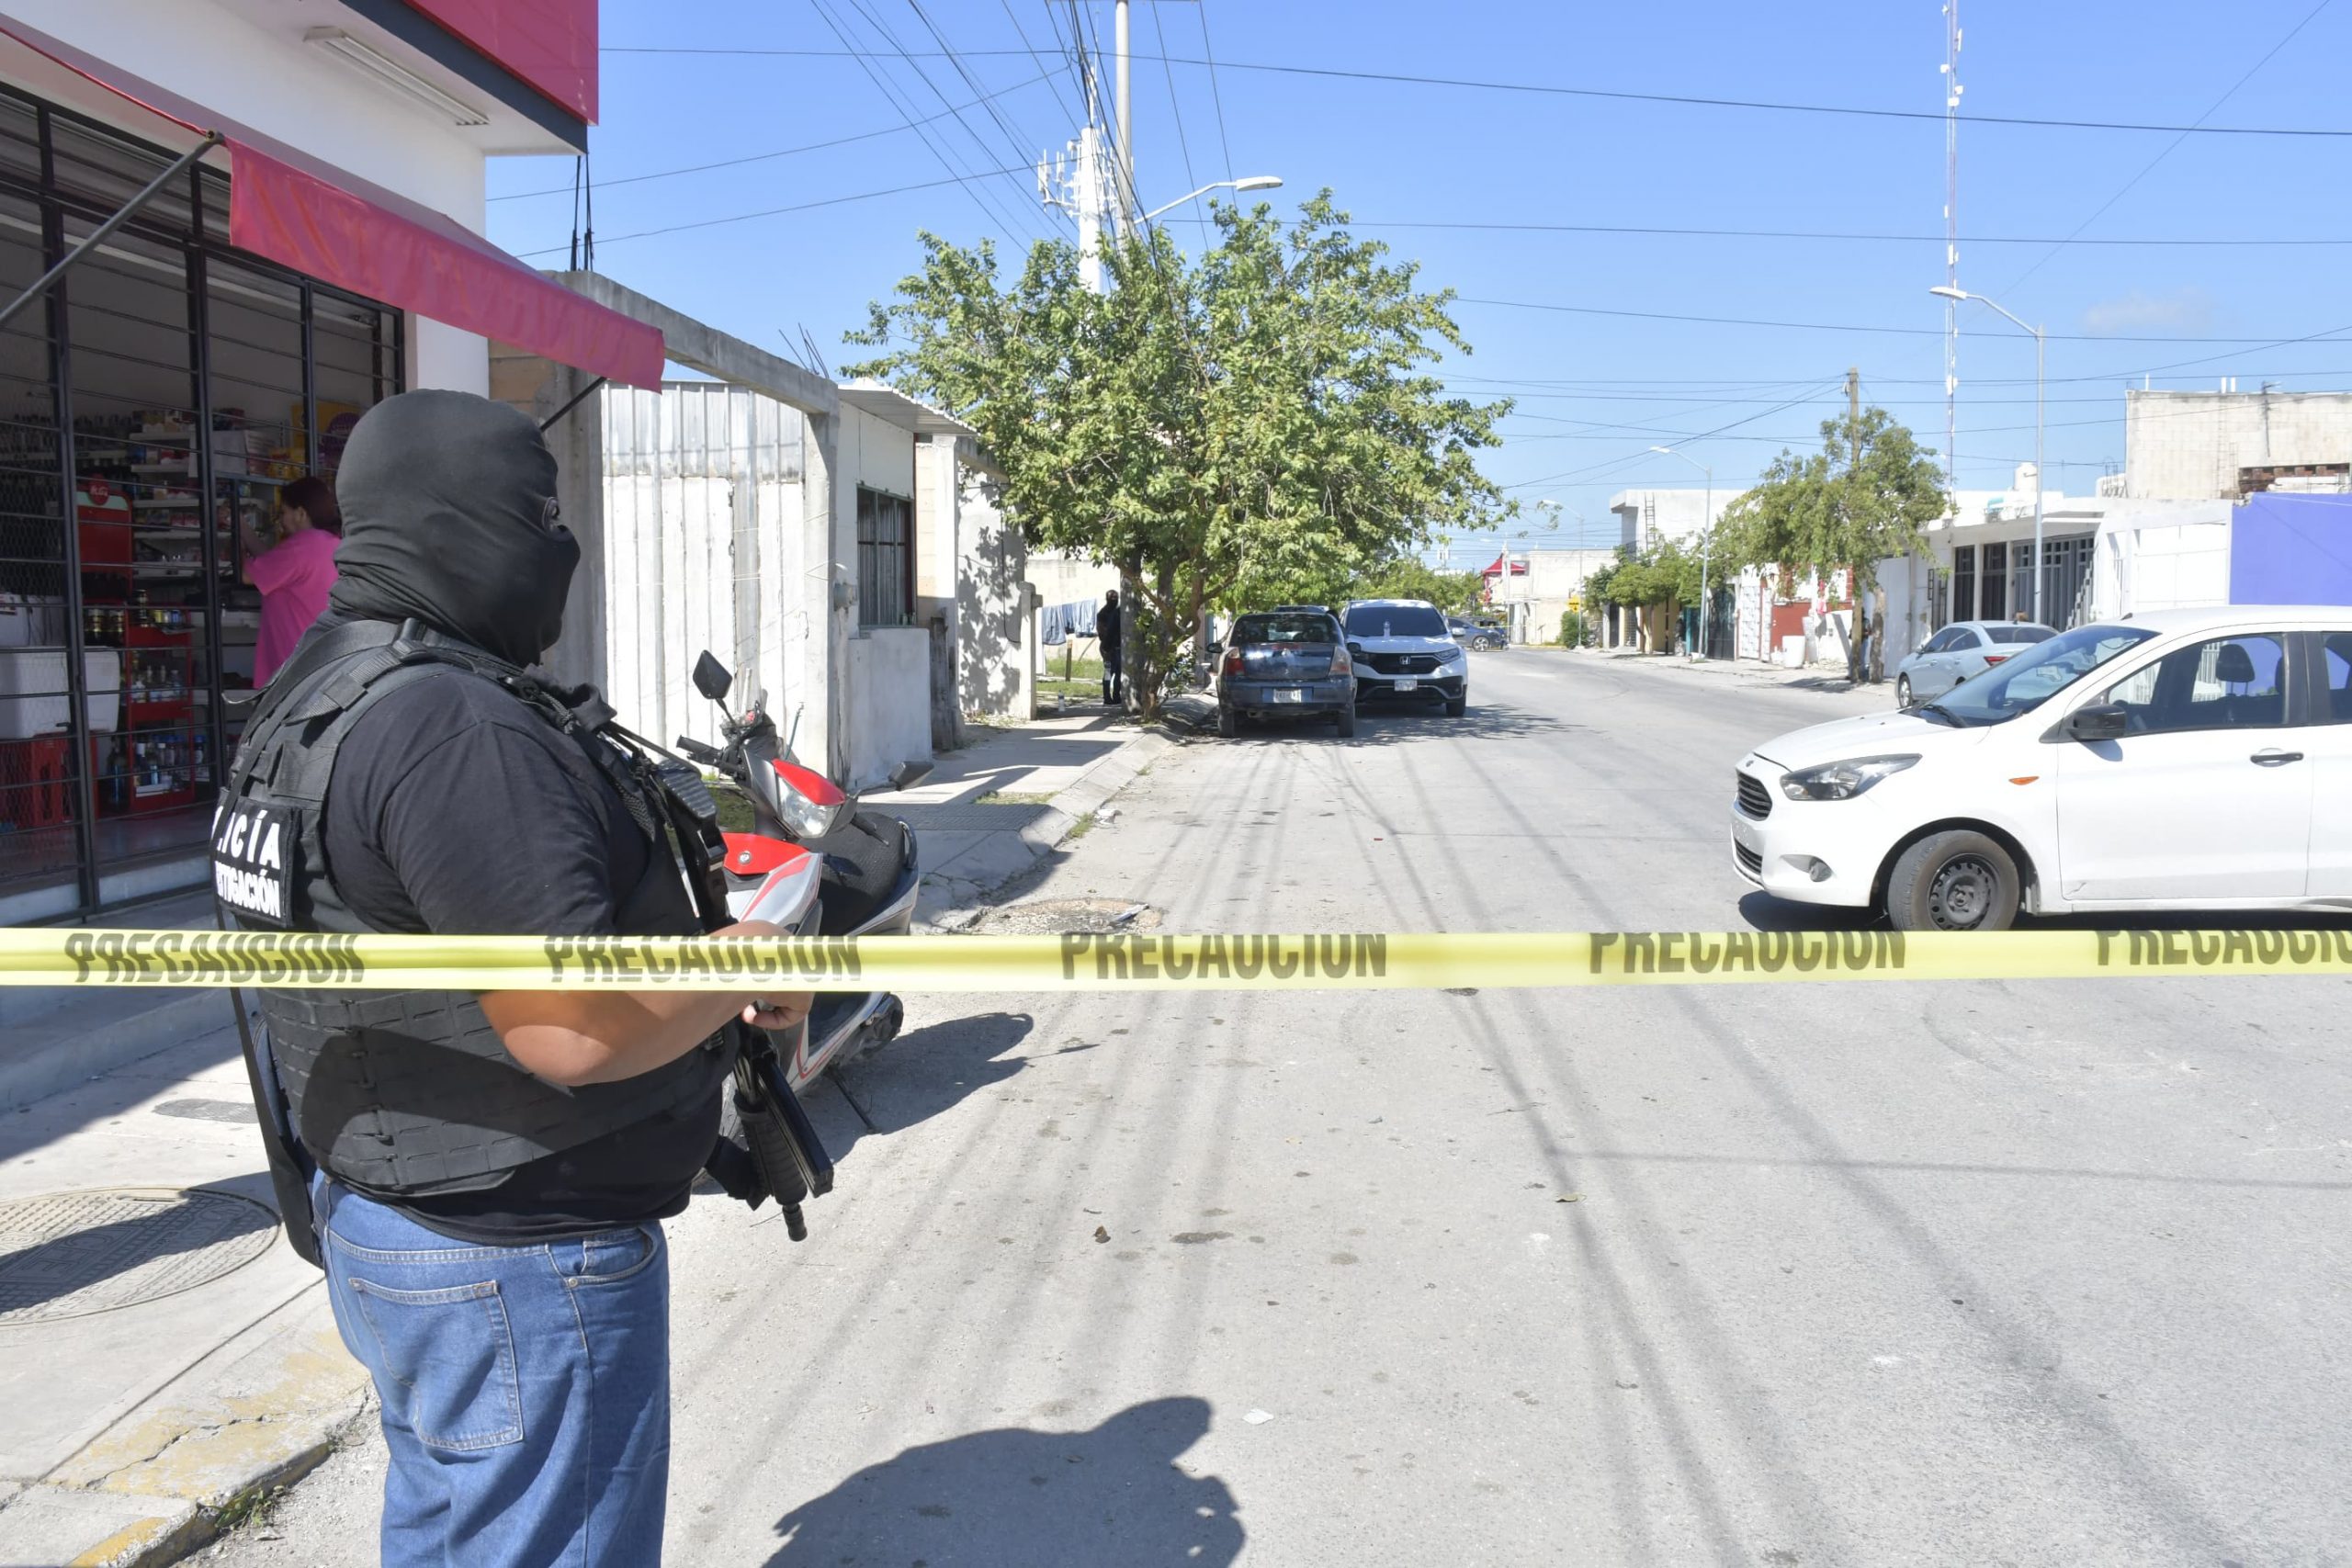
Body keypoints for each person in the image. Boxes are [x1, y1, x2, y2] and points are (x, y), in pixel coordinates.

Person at [212, 389, 808, 1567]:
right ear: (457, 519)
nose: (560, 545)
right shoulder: (451, 727)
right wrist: (739, 963)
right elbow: (573, 1030)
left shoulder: (311, 695)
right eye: (539, 515)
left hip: (395, 1222)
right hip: (517, 1260)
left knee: (455, 1533)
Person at [243, 474, 342, 685]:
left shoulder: (302, 545)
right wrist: (240, 527)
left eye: (283, 512)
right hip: (322, 659)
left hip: (292, 664)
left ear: (301, 513)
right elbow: (269, 563)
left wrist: (231, 547)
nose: (281, 520)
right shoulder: (331, 542)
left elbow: (249, 575)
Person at [1098, 588, 1124, 705]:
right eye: (1112, 598)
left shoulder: (1120, 612)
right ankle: (1107, 697)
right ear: (1107, 599)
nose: (1114, 600)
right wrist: (1107, 648)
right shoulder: (1103, 613)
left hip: (1120, 647)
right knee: (1109, 672)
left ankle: (1116, 696)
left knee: (1119, 673)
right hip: (1108, 648)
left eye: (1116, 598)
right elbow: (1101, 632)